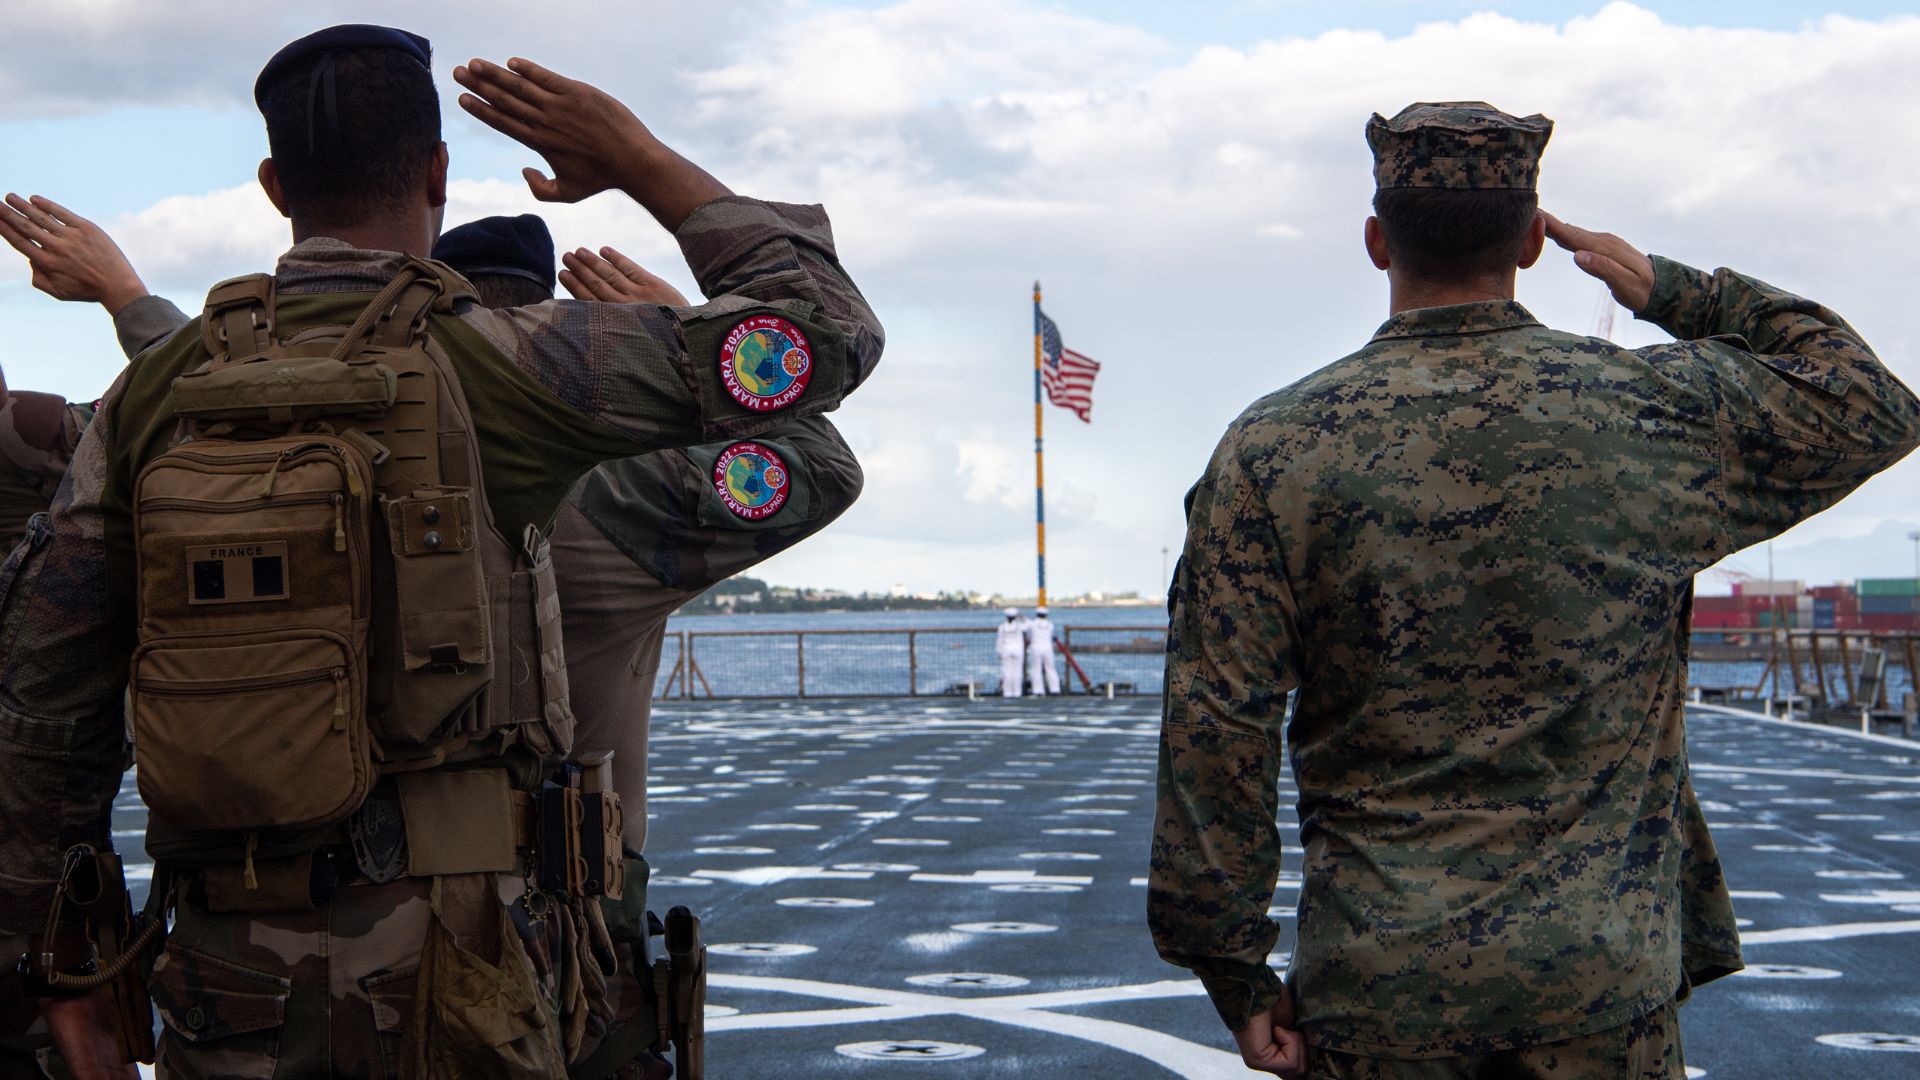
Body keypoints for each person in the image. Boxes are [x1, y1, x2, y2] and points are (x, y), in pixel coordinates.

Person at [0, 23, 882, 1080]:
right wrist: (638, 159)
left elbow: (45, 718)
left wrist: (69, 978)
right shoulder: (512, 362)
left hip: (228, 989)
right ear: (438, 172)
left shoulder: (155, 394)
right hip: (468, 985)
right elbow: (821, 337)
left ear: (277, 187)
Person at [1149, 101, 1920, 1079]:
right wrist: (1675, 289)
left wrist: (1236, 975)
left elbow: (1218, 726)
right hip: (1601, 990)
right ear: (1531, 240)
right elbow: (1872, 401)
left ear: (1377, 242)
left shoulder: (1274, 449)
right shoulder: (1656, 411)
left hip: (1377, 994)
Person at [1025, 605, 1061, 695]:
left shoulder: (1032, 624)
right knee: (1051, 668)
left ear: (1037, 614)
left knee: (1035, 669)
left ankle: (1038, 690)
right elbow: (1052, 635)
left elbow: (1029, 636)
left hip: (1036, 647)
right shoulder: (1050, 624)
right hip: (1048, 648)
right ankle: (1055, 689)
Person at [996, 606, 1026, 698]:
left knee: (1007, 672)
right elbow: (1029, 625)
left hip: (1006, 649)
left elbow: (999, 641)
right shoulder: (1020, 626)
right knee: (1017, 672)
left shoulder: (1002, 627)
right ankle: (1017, 692)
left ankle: (1007, 692)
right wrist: (1022, 617)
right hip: (1017, 650)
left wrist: (999, 652)